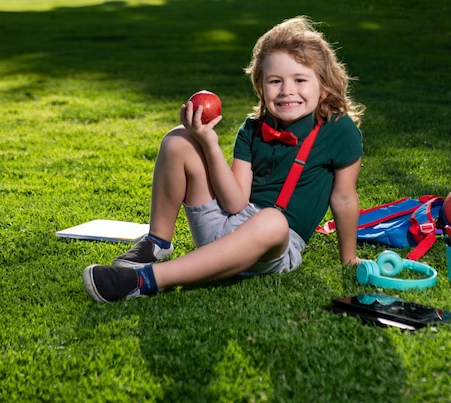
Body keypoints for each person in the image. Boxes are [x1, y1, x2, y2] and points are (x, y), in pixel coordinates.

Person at [83, 16, 365, 303]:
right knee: (178, 139)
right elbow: (234, 202)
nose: (286, 91)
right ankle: (157, 243)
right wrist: (209, 143)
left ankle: (145, 280)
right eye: (275, 81)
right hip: (225, 224)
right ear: (260, 85)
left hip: (274, 243)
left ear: (324, 85)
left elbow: (343, 199)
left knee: (273, 221)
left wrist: (349, 258)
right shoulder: (253, 127)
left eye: (300, 80)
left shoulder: (338, 129)